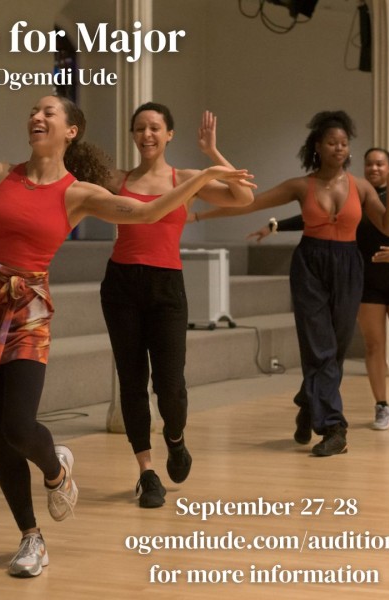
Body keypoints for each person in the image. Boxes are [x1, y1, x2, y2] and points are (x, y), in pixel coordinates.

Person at [0, 95, 254, 577]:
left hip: (29, 307)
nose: (37, 116)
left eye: (48, 112)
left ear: (70, 130)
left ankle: (55, 470)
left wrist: (201, 177)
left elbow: (144, 214)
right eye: (34, 111)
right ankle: (31, 537)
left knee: (19, 425)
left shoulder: (80, 193)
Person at [189, 110, 389, 456]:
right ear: (318, 146)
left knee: (333, 349)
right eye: (332, 142)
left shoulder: (362, 187)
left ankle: (309, 401)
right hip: (310, 265)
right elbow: (249, 202)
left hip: (349, 265)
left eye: (344, 143)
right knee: (319, 348)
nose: (339, 148)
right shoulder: (299, 185)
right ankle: (334, 427)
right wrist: (200, 214)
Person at [99, 105, 255, 508]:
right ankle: (147, 473)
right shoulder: (118, 180)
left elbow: (243, 196)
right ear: (132, 135)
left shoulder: (184, 178)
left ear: (169, 134)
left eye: (155, 128)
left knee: (170, 386)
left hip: (166, 286)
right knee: (131, 380)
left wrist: (212, 154)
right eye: (139, 128)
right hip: (121, 285)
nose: (146, 134)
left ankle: (176, 439)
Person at [243, 153, 389, 431]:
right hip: (365, 279)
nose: (374, 168)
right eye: (370, 163)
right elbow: (317, 217)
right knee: (374, 345)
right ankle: (381, 405)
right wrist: (276, 225)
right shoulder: (354, 194)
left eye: (380, 164)